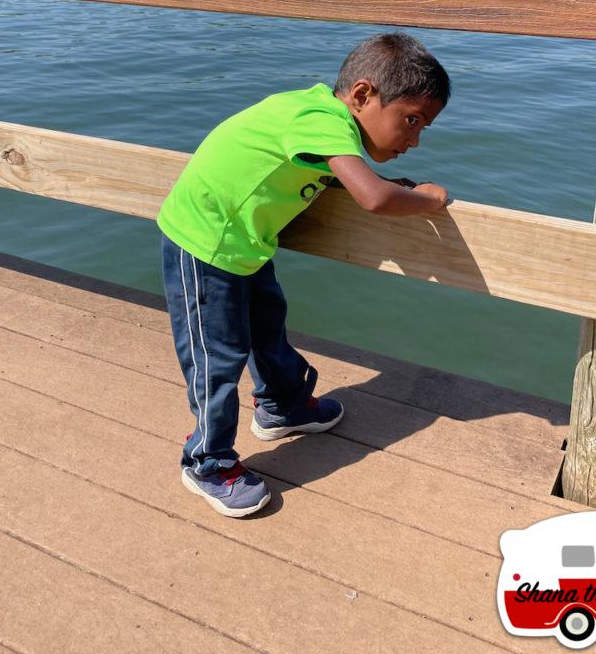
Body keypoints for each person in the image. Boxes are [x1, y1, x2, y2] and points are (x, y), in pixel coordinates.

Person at [158, 31, 451, 517]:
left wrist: (373, 177)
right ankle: (206, 462)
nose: (415, 139)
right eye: (411, 120)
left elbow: (330, 167)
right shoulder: (321, 121)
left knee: (267, 327)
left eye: (423, 128)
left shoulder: (317, 113)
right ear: (362, 96)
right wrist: (429, 199)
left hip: (242, 244)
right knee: (217, 358)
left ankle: (282, 406)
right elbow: (374, 198)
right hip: (204, 245)